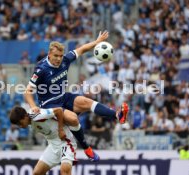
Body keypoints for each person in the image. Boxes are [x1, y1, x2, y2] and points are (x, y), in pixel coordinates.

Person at [25, 31, 129, 161]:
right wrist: (33, 106)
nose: (58, 59)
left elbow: (82, 49)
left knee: (86, 101)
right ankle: (87, 148)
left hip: (63, 97)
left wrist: (96, 42)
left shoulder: (65, 60)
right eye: (56, 56)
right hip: (49, 104)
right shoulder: (41, 69)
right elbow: (27, 91)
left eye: (60, 56)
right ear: (49, 54)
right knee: (73, 118)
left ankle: (117, 115)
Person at [10, 106, 75, 175]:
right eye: (18, 124)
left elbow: (59, 110)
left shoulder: (37, 116)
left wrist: (60, 129)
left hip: (65, 142)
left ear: (25, 116)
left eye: (20, 123)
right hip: (53, 145)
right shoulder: (30, 123)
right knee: (37, 173)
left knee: (64, 171)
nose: (20, 126)